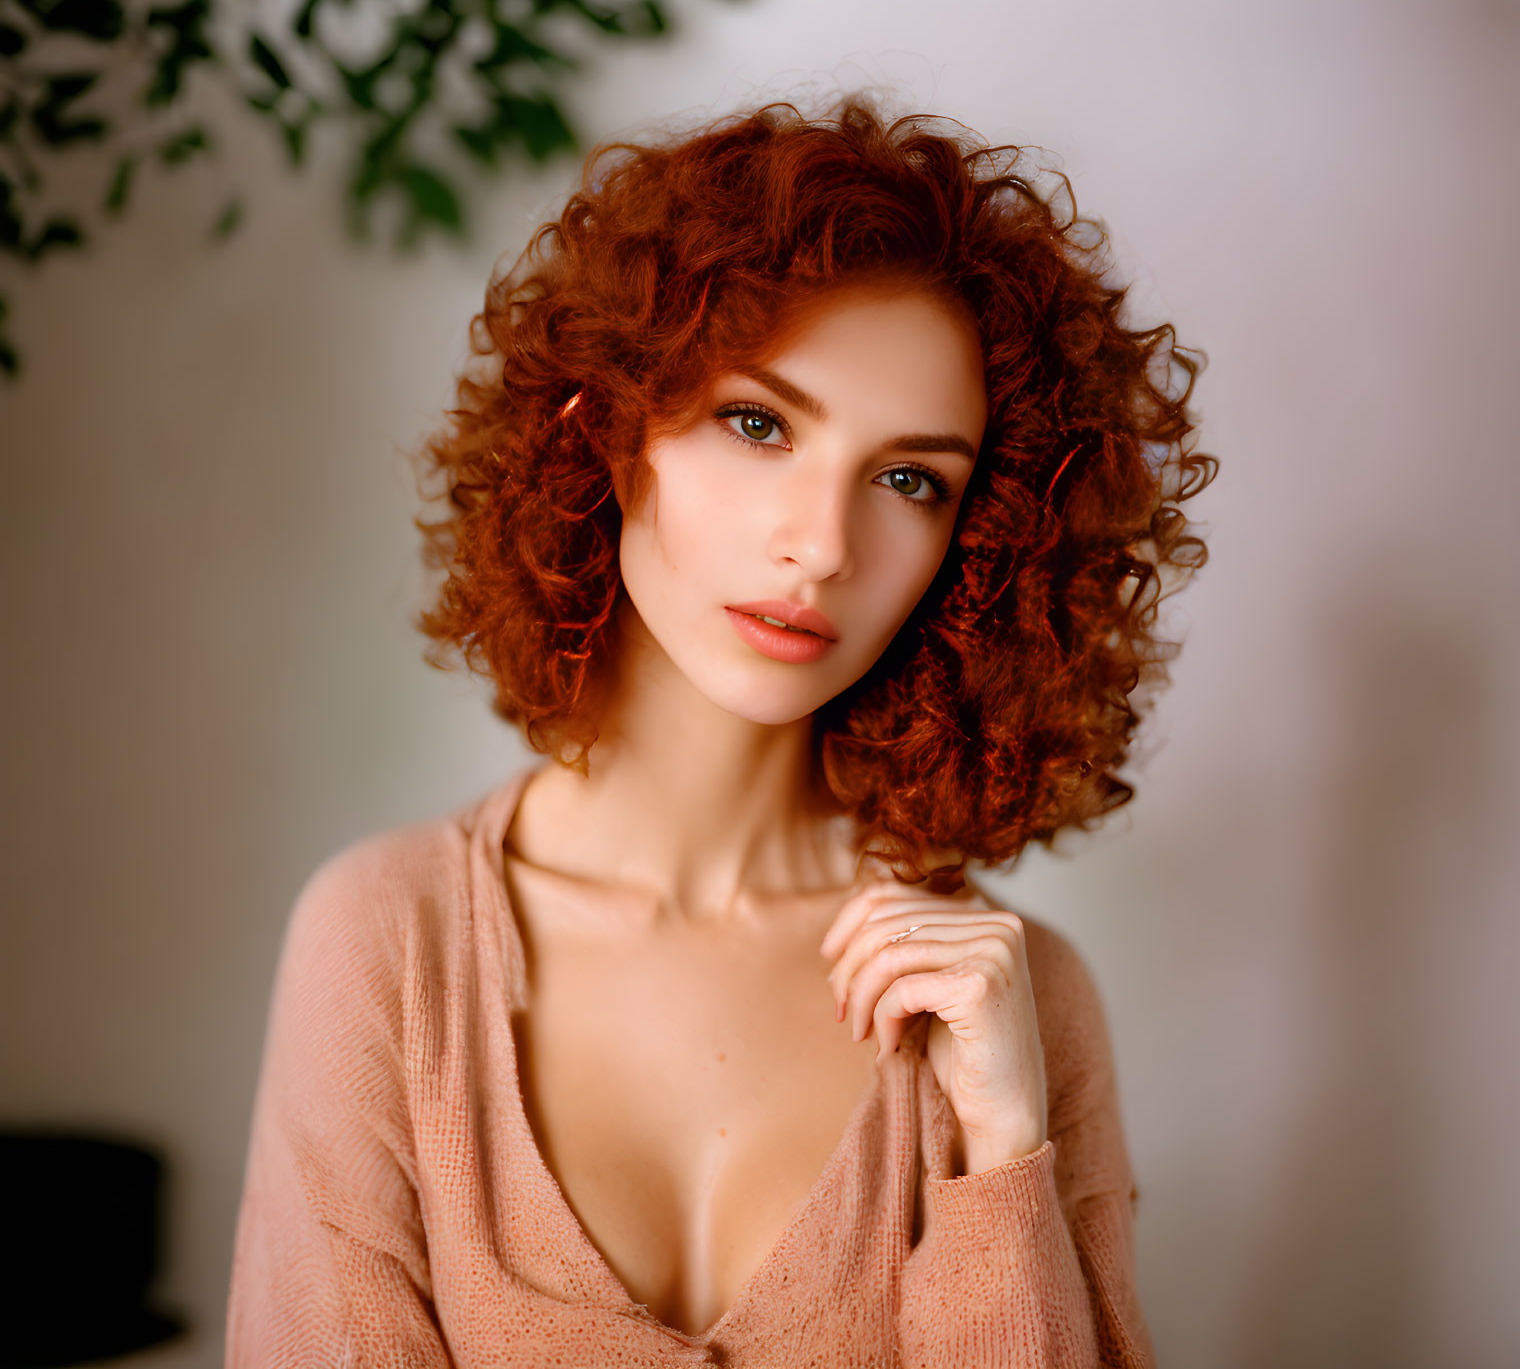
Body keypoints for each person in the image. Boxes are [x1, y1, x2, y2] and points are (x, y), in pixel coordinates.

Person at [226, 96, 1214, 1367]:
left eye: (909, 478)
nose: (823, 542)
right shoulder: (388, 946)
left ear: (977, 548)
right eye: (758, 423)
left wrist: (998, 1158)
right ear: (606, 424)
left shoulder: (1007, 1000)